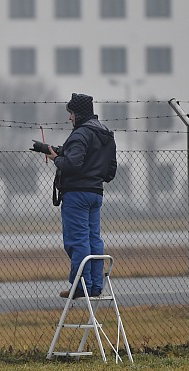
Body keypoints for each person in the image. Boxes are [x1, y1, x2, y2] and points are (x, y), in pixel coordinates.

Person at [46, 93, 117, 299]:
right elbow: (110, 171)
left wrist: (55, 158)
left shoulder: (80, 134)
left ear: (78, 114)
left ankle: (79, 285)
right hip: (96, 193)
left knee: (77, 241)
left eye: (71, 113)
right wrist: (94, 175)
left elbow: (72, 164)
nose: (69, 118)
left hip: (76, 194)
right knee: (93, 239)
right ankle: (95, 286)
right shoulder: (106, 133)